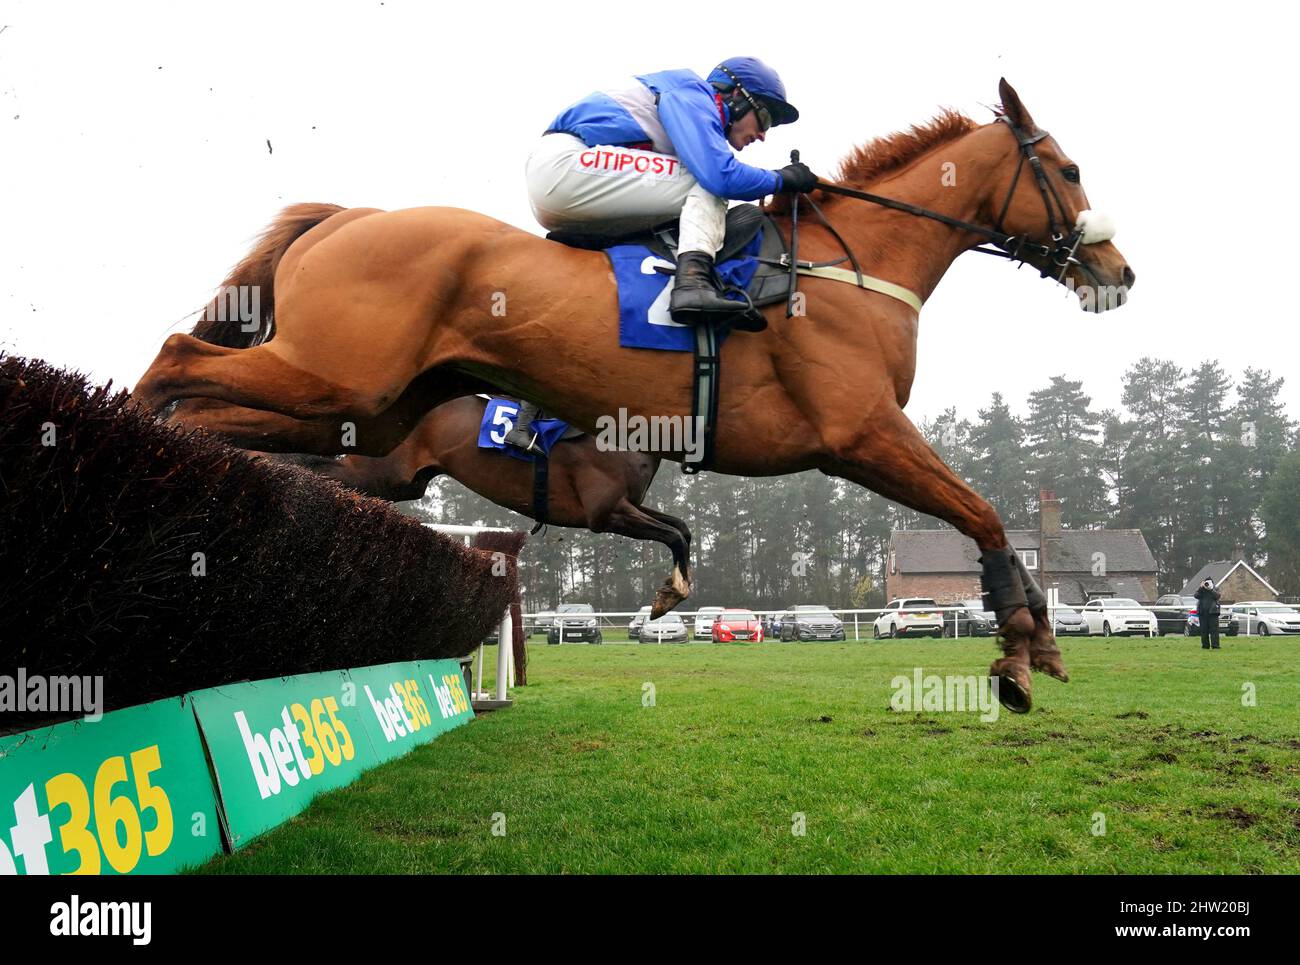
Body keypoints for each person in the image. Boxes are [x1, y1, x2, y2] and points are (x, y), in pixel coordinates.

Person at [526, 57, 818, 325]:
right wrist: (780, 179)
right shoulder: (694, 94)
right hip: (566, 166)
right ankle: (693, 284)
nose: (764, 135)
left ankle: (599, 247)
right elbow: (722, 177)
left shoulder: (693, 104)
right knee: (705, 184)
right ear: (737, 96)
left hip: (571, 181)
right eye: (765, 119)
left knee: (690, 198)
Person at [1194, 578, 1221, 650]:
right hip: (1203, 613)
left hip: (1213, 613)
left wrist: (1211, 589)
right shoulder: (1201, 590)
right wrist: (1201, 587)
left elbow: (1217, 596)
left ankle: (1215, 646)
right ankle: (1205, 646)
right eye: (1206, 583)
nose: (1207, 584)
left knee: (1214, 630)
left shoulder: (1215, 589)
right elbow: (1196, 595)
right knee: (1203, 630)